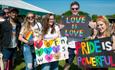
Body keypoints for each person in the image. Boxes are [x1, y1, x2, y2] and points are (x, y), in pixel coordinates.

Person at [63, 1, 91, 70]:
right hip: (70, 46)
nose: (74, 10)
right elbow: (63, 32)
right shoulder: (66, 20)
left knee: (82, 65)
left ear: (78, 9)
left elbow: (87, 35)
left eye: (76, 8)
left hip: (80, 45)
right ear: (70, 9)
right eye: (73, 8)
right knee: (67, 64)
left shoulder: (83, 20)